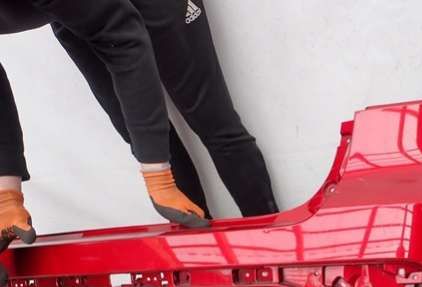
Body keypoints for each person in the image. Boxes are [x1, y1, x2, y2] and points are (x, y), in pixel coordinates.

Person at [1, 0, 209, 258]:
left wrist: (159, 177)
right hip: (62, 14)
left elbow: (124, 38)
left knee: (210, 118)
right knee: (130, 128)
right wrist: (6, 196)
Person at [52, 0, 279, 219]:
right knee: (147, 142)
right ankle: (198, 241)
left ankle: (270, 237)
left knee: (214, 120)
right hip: (74, 11)